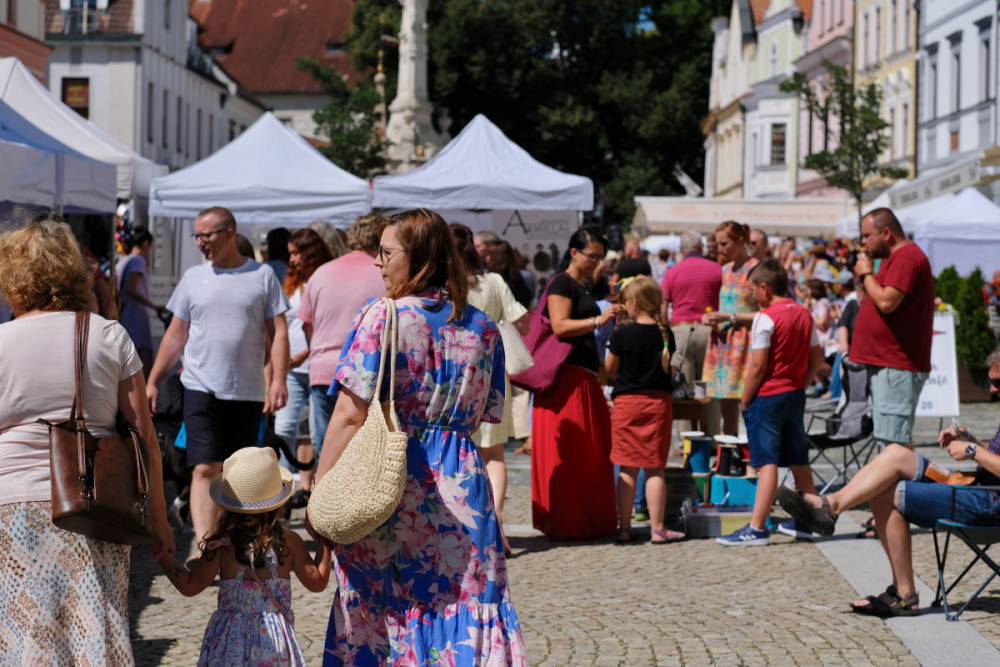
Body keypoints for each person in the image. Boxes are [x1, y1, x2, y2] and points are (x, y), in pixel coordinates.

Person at [314, 208, 526, 664]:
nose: (377, 262)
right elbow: (477, 418)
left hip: (390, 480)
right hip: (462, 481)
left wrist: (322, 484)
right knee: (463, 601)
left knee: (384, 601)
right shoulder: (483, 328)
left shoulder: (381, 317)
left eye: (386, 252)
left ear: (418, 258)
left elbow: (350, 417)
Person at [0, 216, 174, 663]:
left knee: (24, 631)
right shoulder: (107, 335)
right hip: (93, 500)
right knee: (93, 624)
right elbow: (145, 437)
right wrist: (159, 519)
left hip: (11, 503)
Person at [778, 346, 1000, 617]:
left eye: (997, 383)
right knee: (895, 454)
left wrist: (971, 451)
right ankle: (832, 504)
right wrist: (974, 441)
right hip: (974, 486)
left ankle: (905, 594)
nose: (991, 390)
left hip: (989, 502)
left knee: (885, 492)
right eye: (991, 382)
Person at [146, 206, 290, 543]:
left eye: (205, 235)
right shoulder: (193, 278)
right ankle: (205, 544)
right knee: (204, 468)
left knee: (240, 474)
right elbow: (175, 336)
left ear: (228, 234)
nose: (199, 242)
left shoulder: (263, 276)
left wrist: (278, 380)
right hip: (200, 386)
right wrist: (153, 380)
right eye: (196, 235)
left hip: (247, 390)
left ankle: (235, 542)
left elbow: (278, 333)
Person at [156, 447, 331, 665]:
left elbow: (190, 585)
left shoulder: (222, 545)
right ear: (278, 502)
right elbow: (318, 581)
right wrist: (324, 541)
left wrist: (164, 555)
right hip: (273, 644)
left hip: (228, 643)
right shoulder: (289, 542)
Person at [716, 259, 823, 546]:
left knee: (767, 463)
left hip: (768, 396)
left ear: (765, 288)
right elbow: (817, 359)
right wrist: (801, 384)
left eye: (753, 290)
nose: (752, 296)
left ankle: (757, 527)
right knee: (799, 459)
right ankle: (806, 521)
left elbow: (758, 366)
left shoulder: (766, 317)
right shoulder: (804, 313)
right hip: (794, 395)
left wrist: (745, 398)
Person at [532, 227, 620, 541]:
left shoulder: (582, 284)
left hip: (582, 377)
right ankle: (570, 523)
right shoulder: (561, 282)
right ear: (574, 253)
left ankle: (587, 520)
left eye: (600, 256)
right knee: (571, 454)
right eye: (592, 255)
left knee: (589, 453)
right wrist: (599, 320)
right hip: (564, 380)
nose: (597, 262)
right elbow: (560, 326)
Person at [295, 214, 387, 504]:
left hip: (324, 370)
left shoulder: (322, 272)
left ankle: (329, 514)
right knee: (368, 454)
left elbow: (306, 324)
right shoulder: (383, 273)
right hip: (369, 374)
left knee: (328, 453)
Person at [450, 223, 530, 556]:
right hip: (493, 376)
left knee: (454, 453)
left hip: (453, 377)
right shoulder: (495, 282)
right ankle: (495, 523)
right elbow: (523, 322)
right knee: (494, 456)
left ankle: (464, 529)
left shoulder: (443, 285)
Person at [605, 276, 683, 544]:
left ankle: (624, 527)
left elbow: (609, 370)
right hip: (658, 404)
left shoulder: (622, 334)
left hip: (628, 404)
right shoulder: (666, 333)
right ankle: (658, 528)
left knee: (628, 468)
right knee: (655, 468)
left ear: (634, 303)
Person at [850, 208, 934, 449]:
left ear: (886, 233)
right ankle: (898, 487)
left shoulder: (906, 257)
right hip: (889, 365)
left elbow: (887, 301)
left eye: (867, 236)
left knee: (892, 446)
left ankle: (898, 488)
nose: (863, 242)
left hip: (896, 366)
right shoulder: (895, 259)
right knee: (892, 444)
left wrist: (866, 274)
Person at [272, 229, 333, 482]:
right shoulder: (290, 281)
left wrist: (304, 354)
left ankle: (319, 488)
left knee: (319, 435)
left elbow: (328, 327)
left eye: (296, 253)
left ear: (310, 252)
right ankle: (280, 490)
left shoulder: (327, 278)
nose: (293, 259)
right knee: (284, 428)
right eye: (290, 254)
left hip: (320, 368)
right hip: (292, 369)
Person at [701, 221, 759, 435]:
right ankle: (728, 459)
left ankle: (752, 462)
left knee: (748, 406)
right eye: (717, 244)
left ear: (740, 241)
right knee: (727, 410)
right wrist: (713, 317)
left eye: (724, 243)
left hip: (747, 343)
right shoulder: (724, 269)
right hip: (724, 343)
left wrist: (731, 317)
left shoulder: (756, 269)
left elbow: (767, 313)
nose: (720, 249)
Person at [661, 230, 722, 398]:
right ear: (701, 247)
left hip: (681, 331)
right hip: (710, 329)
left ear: (681, 248)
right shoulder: (717, 269)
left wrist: (668, 332)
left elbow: (663, 308)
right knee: (710, 387)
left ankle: (687, 425)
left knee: (683, 389)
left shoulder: (672, 272)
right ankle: (711, 424)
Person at [116, 225, 167, 378]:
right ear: (146, 244)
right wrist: (155, 305)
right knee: (144, 365)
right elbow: (132, 288)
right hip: (136, 317)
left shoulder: (124, 261)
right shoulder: (138, 261)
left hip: (125, 316)